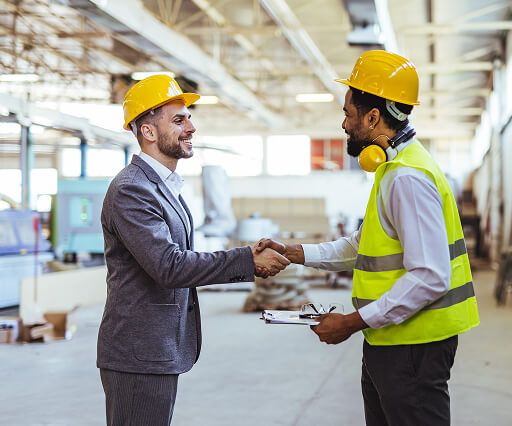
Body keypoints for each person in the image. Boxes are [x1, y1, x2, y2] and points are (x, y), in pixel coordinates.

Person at [257, 50, 480, 425]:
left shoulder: (407, 178)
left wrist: (351, 322)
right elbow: (361, 246)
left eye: (348, 113)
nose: (344, 124)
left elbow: (431, 276)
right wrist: (293, 252)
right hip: (390, 341)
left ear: (373, 116)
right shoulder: (392, 170)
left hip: (413, 348)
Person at [97, 75, 290, 426]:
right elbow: (168, 266)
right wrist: (246, 259)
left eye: (188, 117)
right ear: (148, 132)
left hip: (158, 349)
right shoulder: (131, 190)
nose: (191, 127)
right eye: (179, 119)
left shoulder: (165, 188)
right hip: (139, 354)